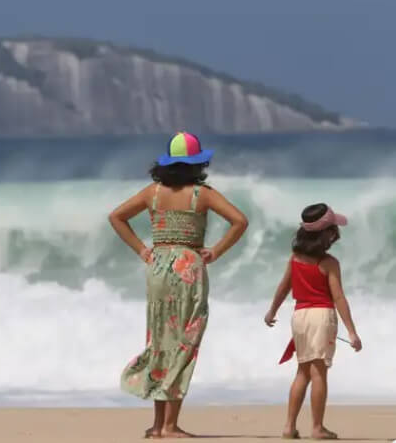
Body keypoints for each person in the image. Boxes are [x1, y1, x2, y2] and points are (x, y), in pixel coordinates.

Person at [109, 132, 249, 438]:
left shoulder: (153, 193)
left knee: (160, 341)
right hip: (188, 267)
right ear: (197, 164)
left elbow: (116, 216)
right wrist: (216, 251)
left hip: (157, 266)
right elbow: (240, 221)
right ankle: (170, 426)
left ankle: (158, 425)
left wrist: (142, 250)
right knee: (185, 343)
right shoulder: (203, 194)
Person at [264, 203, 362, 440]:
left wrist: (272, 311)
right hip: (321, 317)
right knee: (319, 374)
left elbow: (284, 287)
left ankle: (289, 426)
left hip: (299, 317)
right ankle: (317, 427)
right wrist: (352, 332)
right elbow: (338, 297)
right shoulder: (328, 263)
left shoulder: (295, 258)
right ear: (326, 234)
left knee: (302, 372)